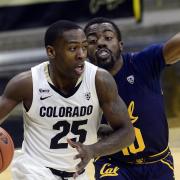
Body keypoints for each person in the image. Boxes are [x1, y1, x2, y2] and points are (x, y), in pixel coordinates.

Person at [0, 20, 135, 180]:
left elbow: (127, 132)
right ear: (51, 52)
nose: (81, 55)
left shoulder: (99, 80)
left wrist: (93, 150)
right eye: (73, 48)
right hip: (34, 170)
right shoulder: (27, 83)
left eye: (84, 47)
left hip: (77, 174)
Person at [84, 17, 180, 180]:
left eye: (108, 38)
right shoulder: (82, 81)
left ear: (120, 45)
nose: (100, 43)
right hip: (113, 163)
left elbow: (176, 46)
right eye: (92, 40)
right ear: (84, 50)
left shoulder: (142, 62)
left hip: (157, 161)